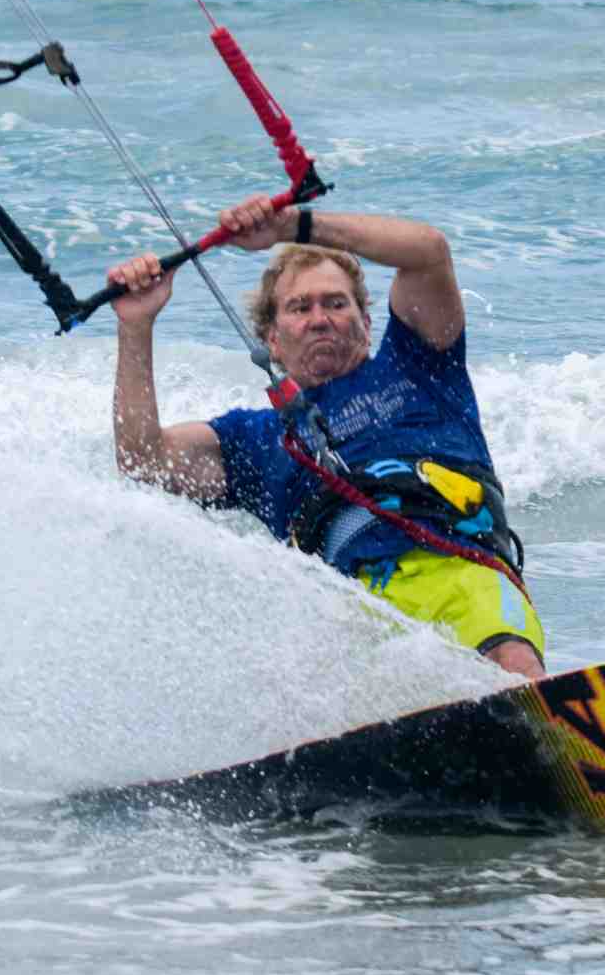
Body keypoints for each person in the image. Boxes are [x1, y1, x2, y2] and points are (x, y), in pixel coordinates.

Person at [107, 195, 547, 680]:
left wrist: (291, 226)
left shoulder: (421, 365)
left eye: (336, 303)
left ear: (366, 323)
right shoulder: (254, 440)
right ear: (272, 340)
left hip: (460, 569)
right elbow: (144, 459)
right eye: (300, 307)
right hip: (347, 611)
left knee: (512, 662)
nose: (319, 318)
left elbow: (428, 252)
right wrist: (136, 326)